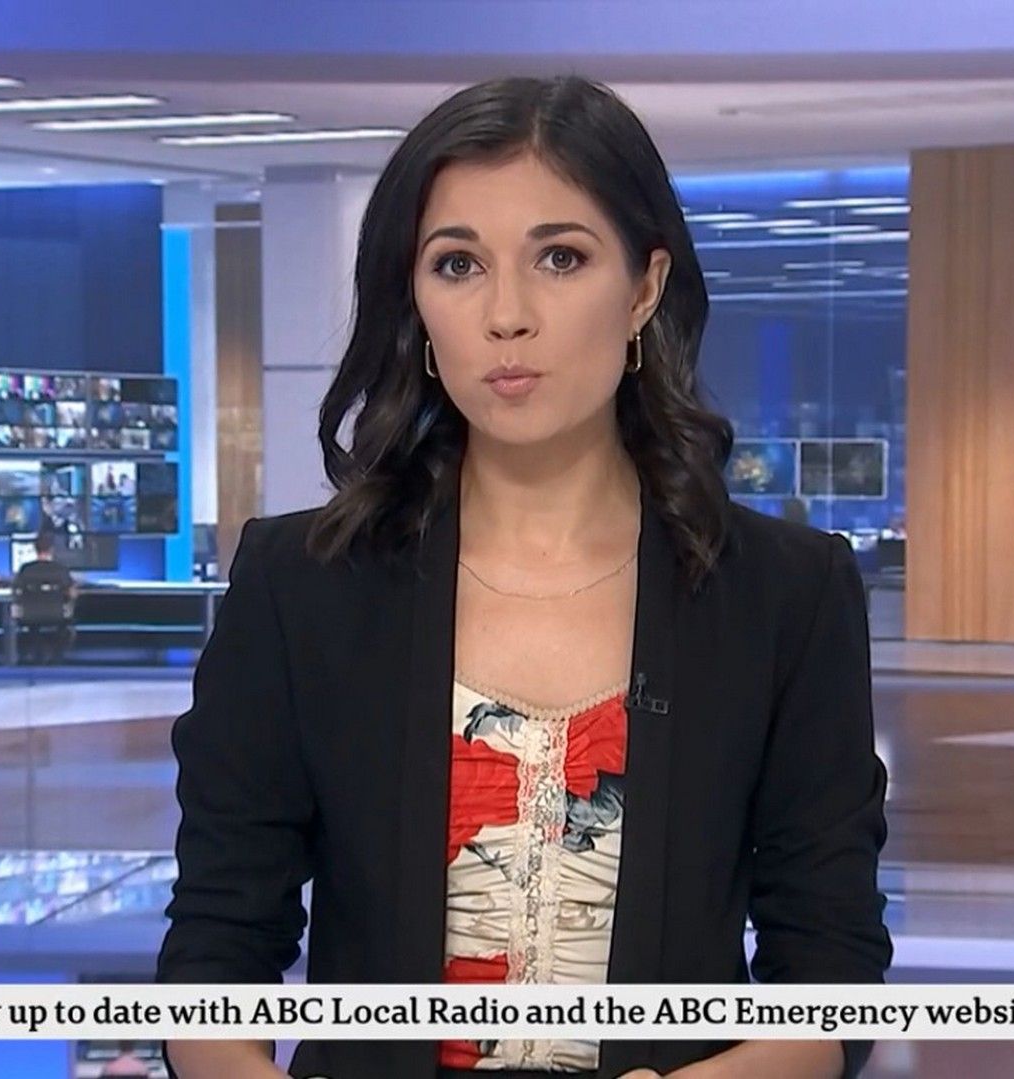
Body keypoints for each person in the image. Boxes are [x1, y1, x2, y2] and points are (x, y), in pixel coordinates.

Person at [157, 76, 889, 1079]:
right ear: (415, 300)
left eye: (561, 257)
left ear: (643, 289)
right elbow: (215, 949)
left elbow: (833, 977)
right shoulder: (303, 585)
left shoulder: (784, 595)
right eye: (457, 264)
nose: (507, 314)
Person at [11, 530, 75, 664]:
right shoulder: (61, 569)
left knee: (32, 624)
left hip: (30, 615)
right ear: (51, 549)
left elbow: (16, 591)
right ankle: (57, 656)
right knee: (68, 622)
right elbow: (72, 593)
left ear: (35, 549)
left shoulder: (25, 569)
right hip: (56, 614)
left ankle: (37, 653)